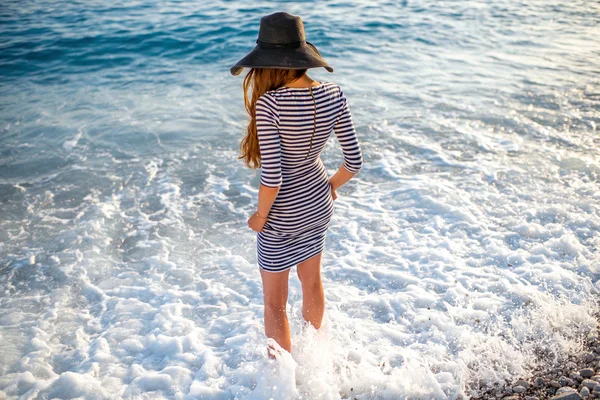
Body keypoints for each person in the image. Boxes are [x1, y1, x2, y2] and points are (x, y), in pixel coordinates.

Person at [230, 11, 363, 359]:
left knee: (275, 302)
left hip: (281, 214)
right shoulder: (334, 94)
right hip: (318, 205)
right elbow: (354, 162)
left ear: (267, 63)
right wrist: (330, 186)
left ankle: (283, 384)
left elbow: (272, 177)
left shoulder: (270, 103)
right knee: (312, 282)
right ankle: (319, 363)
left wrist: (260, 216)